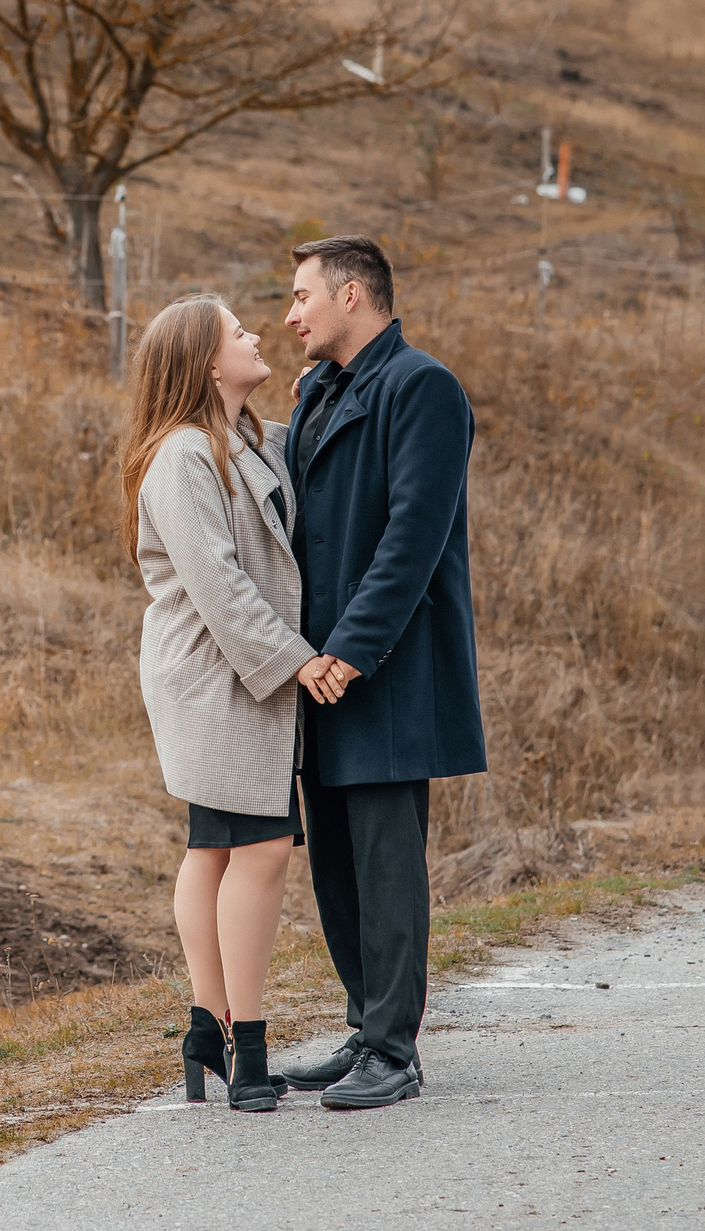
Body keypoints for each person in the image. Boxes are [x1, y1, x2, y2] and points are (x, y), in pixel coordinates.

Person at [275, 235, 483, 1111]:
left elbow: (412, 537)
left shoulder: (422, 387)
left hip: (381, 671)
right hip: (316, 674)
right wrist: (301, 658)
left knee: (386, 861)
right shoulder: (318, 391)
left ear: (353, 295)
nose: (289, 315)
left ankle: (396, 1050)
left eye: (300, 297)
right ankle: (367, 1023)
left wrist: (351, 651)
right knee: (335, 862)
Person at [122, 294, 330, 1113]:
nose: (257, 335)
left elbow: (303, 456)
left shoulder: (247, 439)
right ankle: (248, 1045)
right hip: (215, 677)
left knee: (217, 847)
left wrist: (327, 391)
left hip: (240, 676)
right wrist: (298, 661)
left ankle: (207, 1028)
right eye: (238, 331)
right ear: (210, 363)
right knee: (264, 847)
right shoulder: (180, 457)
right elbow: (219, 584)